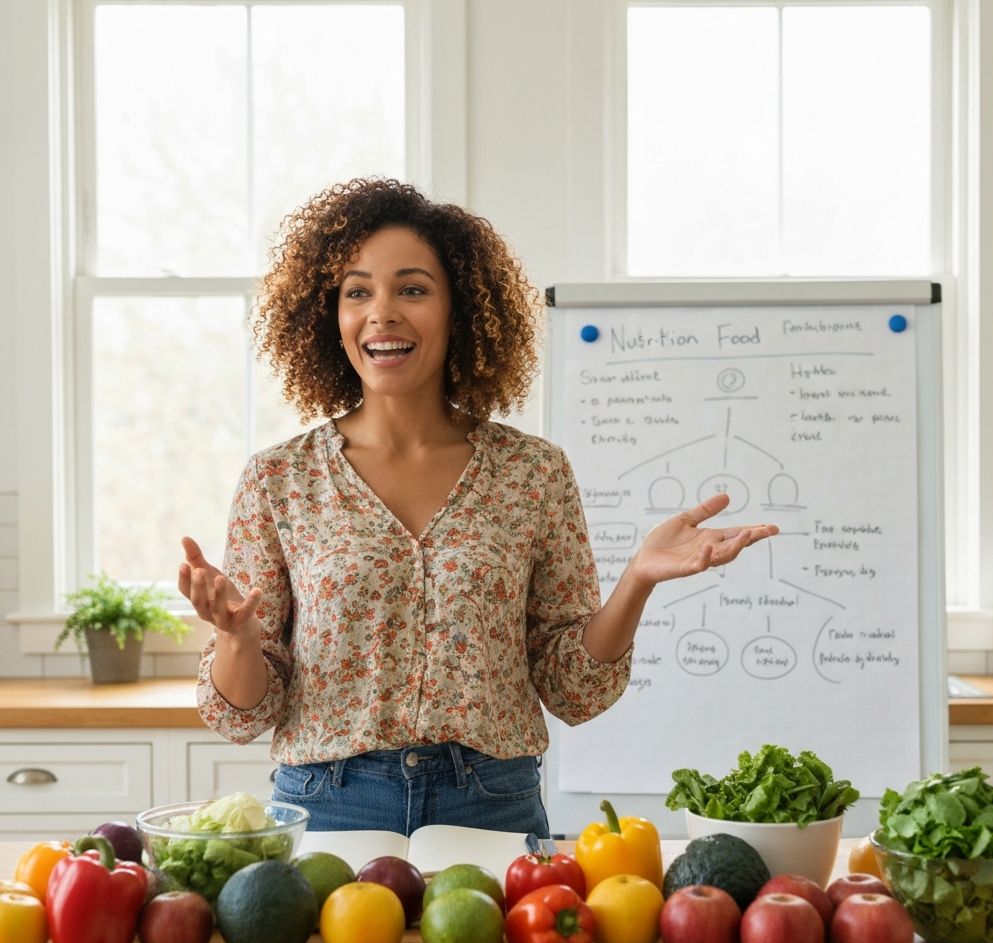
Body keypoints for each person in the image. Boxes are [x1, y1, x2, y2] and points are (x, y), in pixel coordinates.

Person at [178, 178, 778, 837]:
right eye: (358, 291)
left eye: (412, 288)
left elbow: (573, 689)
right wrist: (237, 637)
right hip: (328, 805)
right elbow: (242, 713)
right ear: (331, 316)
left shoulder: (533, 472)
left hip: (491, 802)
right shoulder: (279, 480)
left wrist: (637, 579)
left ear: (459, 310)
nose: (382, 312)